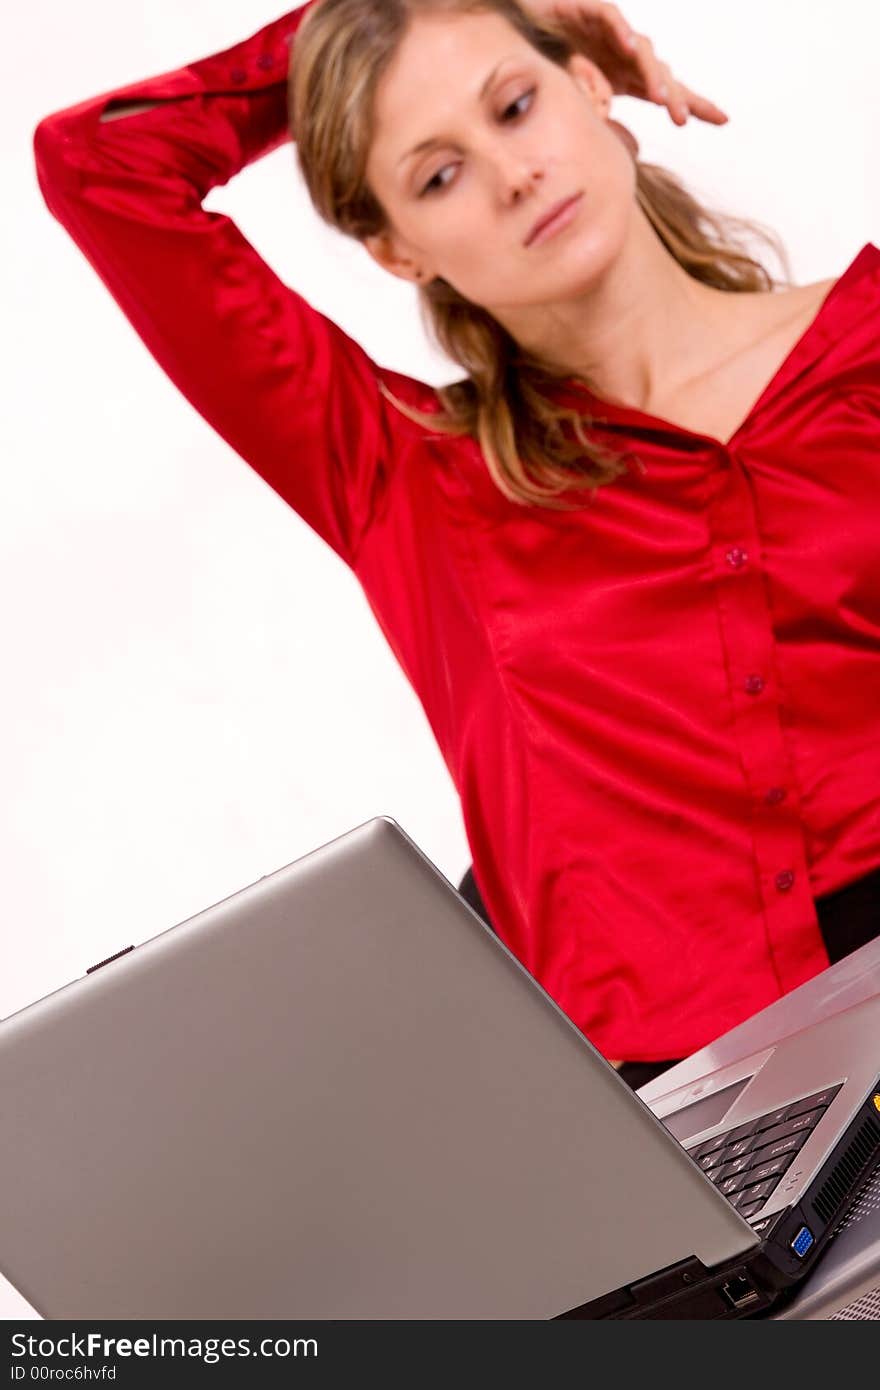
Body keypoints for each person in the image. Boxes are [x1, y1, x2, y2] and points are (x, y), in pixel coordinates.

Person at [33, 0, 880, 1093]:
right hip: (680, 1120)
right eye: (437, 175)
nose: (512, 174)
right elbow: (97, 163)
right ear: (394, 248)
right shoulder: (402, 476)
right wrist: (357, 28)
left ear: (589, 86)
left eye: (515, 106)